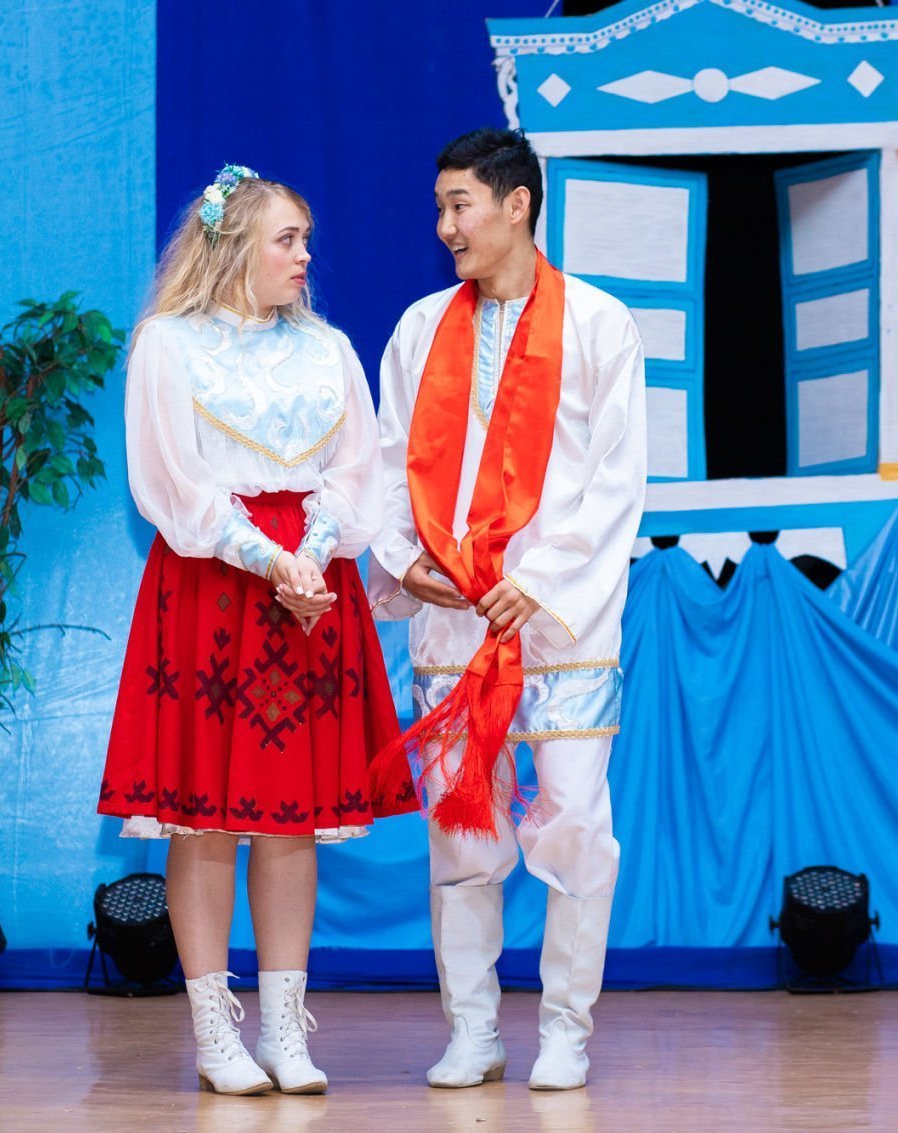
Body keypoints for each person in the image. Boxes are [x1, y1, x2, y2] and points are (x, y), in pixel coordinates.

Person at [99, 165, 415, 1095]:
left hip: (308, 591)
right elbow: (171, 482)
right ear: (235, 246)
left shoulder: (328, 349)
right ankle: (215, 1033)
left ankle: (284, 1029)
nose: (305, 256)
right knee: (203, 818)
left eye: (305, 239)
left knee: (291, 821)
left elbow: (355, 471)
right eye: (288, 239)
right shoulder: (168, 345)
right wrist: (267, 558)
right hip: (213, 586)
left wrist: (310, 555)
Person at [367, 128, 647, 1091]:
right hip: (455, 620)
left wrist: (547, 578)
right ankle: (474, 1028)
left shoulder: (602, 325)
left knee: (574, 823)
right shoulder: (418, 330)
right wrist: (405, 561)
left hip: (560, 626)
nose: (445, 226)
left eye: (461, 205)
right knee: (462, 833)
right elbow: (386, 466)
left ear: (517, 204)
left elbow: (617, 479)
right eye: (440, 208)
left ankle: (566, 1029)